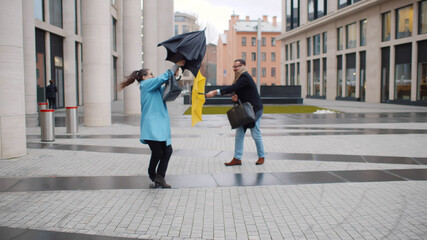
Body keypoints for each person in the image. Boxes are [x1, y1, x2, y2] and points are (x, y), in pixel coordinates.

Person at [120, 60, 185, 188]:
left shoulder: (153, 87)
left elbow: (167, 88)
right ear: (144, 77)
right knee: (158, 152)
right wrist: (176, 65)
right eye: (151, 74)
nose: (153, 76)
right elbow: (162, 78)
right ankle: (153, 174)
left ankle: (159, 177)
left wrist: (176, 75)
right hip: (152, 126)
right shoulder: (146, 84)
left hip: (159, 126)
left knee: (167, 150)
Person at [206, 59, 265, 166]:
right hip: (245, 110)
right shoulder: (239, 78)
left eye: (236, 66)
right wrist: (236, 98)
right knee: (239, 135)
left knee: (255, 134)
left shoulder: (245, 77)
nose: (234, 69)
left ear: (243, 66)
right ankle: (237, 158)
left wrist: (215, 91)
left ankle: (261, 156)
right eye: (233, 67)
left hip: (254, 109)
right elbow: (238, 91)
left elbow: (233, 88)